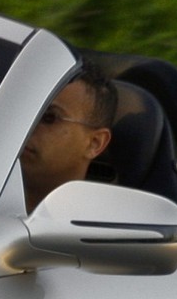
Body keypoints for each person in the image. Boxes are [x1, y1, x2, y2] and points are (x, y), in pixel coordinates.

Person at [21, 61, 116, 211]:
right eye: (24, 110)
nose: (27, 125)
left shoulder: (99, 229)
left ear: (95, 143)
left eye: (49, 117)